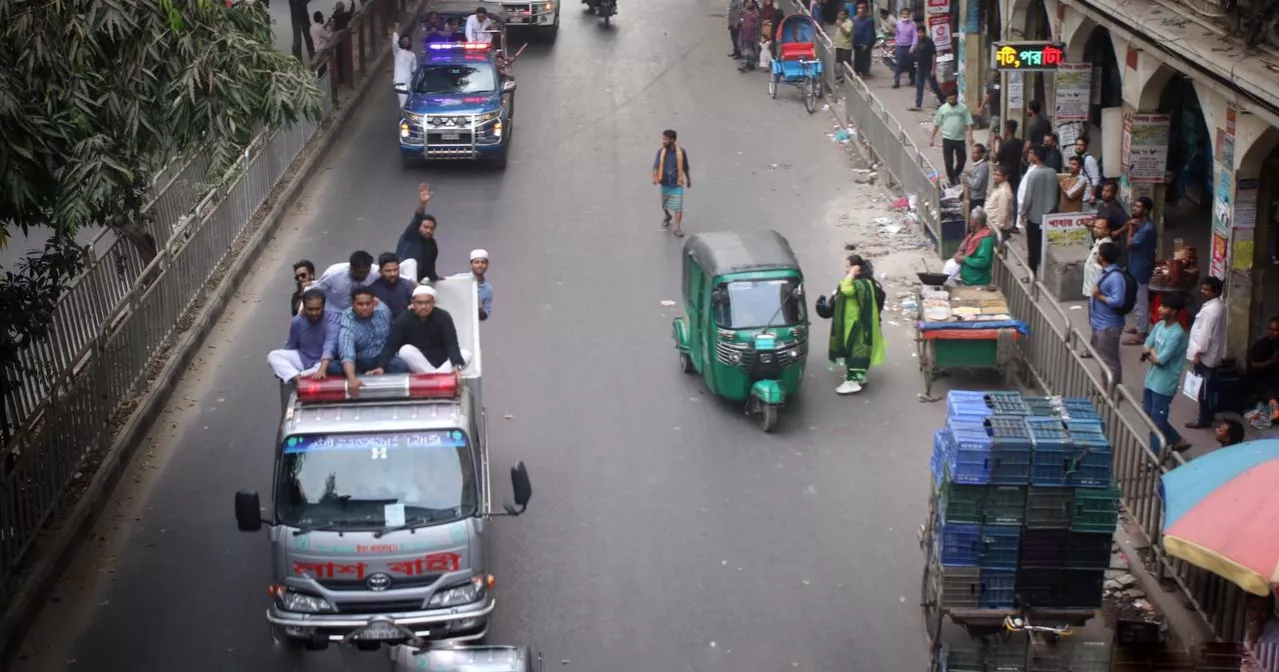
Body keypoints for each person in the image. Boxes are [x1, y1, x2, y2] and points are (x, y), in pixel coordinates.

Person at [379, 285, 472, 374]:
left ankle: (434, 376)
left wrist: (456, 364)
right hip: (418, 362)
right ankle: (439, 376)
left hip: (442, 360)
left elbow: (451, 343)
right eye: (419, 303)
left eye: (427, 303)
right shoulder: (404, 319)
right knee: (405, 350)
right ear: (413, 303)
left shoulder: (444, 317)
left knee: (466, 354)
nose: (423, 306)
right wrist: (380, 366)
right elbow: (391, 346)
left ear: (433, 303)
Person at [1141, 292, 1191, 454]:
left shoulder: (1177, 334)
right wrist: (1151, 352)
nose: (1160, 309)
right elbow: (1146, 345)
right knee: (1150, 414)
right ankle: (1178, 440)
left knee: (1157, 422)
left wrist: (1151, 352)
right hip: (1151, 380)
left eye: (1164, 307)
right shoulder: (1159, 326)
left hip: (1164, 384)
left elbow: (1160, 360)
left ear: (1174, 311)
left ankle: (1154, 457)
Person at [829, 254, 885, 395]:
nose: (845, 270)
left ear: (858, 269)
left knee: (856, 352)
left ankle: (853, 381)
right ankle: (859, 377)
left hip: (858, 324)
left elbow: (846, 289)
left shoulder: (860, 284)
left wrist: (851, 274)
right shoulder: (863, 282)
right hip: (852, 322)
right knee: (852, 350)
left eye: (848, 267)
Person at [267, 288, 339, 383]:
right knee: (273, 355)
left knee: (330, 366)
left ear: (323, 306)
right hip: (303, 358)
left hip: (322, 363)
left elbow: (330, 345)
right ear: (304, 307)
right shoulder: (297, 321)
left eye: (317, 309)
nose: (313, 313)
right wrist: (284, 364)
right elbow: (291, 346)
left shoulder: (332, 320)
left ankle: (295, 375)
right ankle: (298, 378)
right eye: (310, 309)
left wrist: (322, 369)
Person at [1185, 276, 1226, 429]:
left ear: (1215, 291)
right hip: (1211, 355)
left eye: (1206, 289)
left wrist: (1197, 354)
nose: (1203, 292)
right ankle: (1208, 414)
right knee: (1209, 387)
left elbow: (1204, 335)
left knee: (1203, 389)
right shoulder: (1218, 306)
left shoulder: (1212, 311)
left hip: (1205, 356)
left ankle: (1203, 419)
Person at [337, 287, 403, 379]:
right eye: (360, 304)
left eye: (368, 303)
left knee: (401, 366)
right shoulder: (348, 325)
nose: (365, 307)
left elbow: (392, 338)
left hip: (383, 356)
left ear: (374, 303)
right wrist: (352, 379)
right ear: (353, 304)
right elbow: (347, 355)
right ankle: (363, 377)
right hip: (362, 361)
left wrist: (382, 364)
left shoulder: (383, 311)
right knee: (335, 367)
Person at [1018, 145, 1059, 278]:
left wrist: (1022, 212)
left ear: (1036, 156)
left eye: (1031, 153)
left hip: (1034, 217)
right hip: (1049, 217)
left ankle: (1032, 274)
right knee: (1045, 247)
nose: (1029, 156)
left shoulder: (1033, 175)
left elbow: (1028, 197)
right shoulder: (1053, 173)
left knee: (1033, 248)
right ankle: (1045, 275)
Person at [1091, 242, 1127, 386]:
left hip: (1108, 325)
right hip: (1099, 323)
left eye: (1099, 254)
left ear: (1103, 257)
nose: (1096, 256)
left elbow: (1118, 301)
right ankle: (1105, 386)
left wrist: (1099, 296)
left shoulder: (1116, 278)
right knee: (1103, 359)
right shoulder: (1104, 272)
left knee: (1110, 361)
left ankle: (1114, 390)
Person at [1124, 196, 1157, 345]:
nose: (1134, 209)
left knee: (1141, 301)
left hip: (1141, 269)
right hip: (1136, 266)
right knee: (1137, 300)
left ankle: (1142, 333)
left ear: (1146, 210)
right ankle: (1139, 327)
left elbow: (1130, 244)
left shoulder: (1147, 229)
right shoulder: (1143, 226)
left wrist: (1131, 228)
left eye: (1138, 207)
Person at [396, 183, 440, 284]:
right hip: (401, 275)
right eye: (425, 227)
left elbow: (430, 264)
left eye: (431, 228)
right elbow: (417, 218)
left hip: (417, 280)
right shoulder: (411, 235)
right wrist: (423, 203)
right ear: (419, 227)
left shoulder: (432, 244)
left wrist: (434, 277)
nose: (428, 230)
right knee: (411, 263)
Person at [929, 91, 973, 188]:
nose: (951, 101)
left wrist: (970, 136)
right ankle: (952, 179)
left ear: (957, 98)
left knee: (962, 160)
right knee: (948, 161)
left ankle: (956, 174)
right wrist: (932, 138)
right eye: (949, 99)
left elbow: (969, 122)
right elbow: (937, 124)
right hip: (947, 138)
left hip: (960, 138)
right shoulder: (943, 109)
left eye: (953, 99)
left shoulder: (963, 108)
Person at [653, 129, 692, 238]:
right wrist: (655, 177)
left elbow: (685, 167)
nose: (663, 141)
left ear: (672, 140)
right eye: (663, 139)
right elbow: (655, 167)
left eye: (665, 139)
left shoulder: (681, 152)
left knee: (678, 207)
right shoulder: (661, 152)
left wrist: (688, 179)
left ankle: (677, 228)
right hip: (664, 182)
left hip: (677, 183)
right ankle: (667, 216)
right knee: (665, 205)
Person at [943, 207, 995, 286]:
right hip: (967, 280)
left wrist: (964, 258)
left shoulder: (986, 240)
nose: (969, 222)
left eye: (971, 220)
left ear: (976, 222)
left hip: (978, 282)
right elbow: (965, 249)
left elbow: (984, 262)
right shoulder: (973, 235)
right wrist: (960, 254)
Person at [313, 250, 377, 311]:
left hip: (360, 312)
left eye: (367, 271)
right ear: (351, 268)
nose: (365, 275)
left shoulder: (375, 271)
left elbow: (386, 268)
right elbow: (315, 291)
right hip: (334, 311)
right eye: (361, 272)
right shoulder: (332, 274)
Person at [1247, 317, 1279, 419]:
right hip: (1261, 379)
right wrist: (1271, 362)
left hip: (1275, 377)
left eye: (1275, 330)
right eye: (1270, 329)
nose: (1272, 332)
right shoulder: (1261, 345)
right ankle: (1275, 409)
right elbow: (1253, 365)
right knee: (1267, 390)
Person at [907, 25, 942, 111]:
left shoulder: (929, 42)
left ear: (924, 32)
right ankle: (918, 105)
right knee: (919, 85)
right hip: (920, 67)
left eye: (921, 32)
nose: (920, 34)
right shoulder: (918, 41)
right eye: (918, 32)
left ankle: (943, 100)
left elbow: (934, 55)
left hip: (928, 68)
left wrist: (933, 69)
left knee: (934, 86)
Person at [370, 252, 415, 318]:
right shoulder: (373, 290)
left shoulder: (408, 286)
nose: (392, 274)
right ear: (380, 271)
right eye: (388, 271)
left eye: (395, 270)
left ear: (399, 268)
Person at [458, 249, 493, 321]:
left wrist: (479, 312)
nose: (480, 265)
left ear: (487, 265)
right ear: (471, 265)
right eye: (476, 262)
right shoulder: (459, 279)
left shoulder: (488, 288)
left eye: (483, 262)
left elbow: (486, 312)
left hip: (471, 325)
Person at [391, 23, 416, 109]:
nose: (405, 42)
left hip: (409, 82)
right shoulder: (397, 51)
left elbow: (414, 69)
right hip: (399, 81)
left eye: (407, 40)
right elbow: (394, 42)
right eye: (403, 40)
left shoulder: (412, 55)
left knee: (410, 104)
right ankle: (403, 120)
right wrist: (396, 28)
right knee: (403, 103)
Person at [985, 166, 1015, 236]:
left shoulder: (1003, 192)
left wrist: (997, 228)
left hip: (998, 228)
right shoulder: (998, 186)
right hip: (992, 225)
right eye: (994, 174)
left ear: (1006, 177)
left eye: (998, 175)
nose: (995, 177)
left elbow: (1003, 212)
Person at [994, 119, 1023, 192]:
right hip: (1015, 174)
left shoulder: (1005, 145)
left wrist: (992, 143)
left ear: (1007, 129)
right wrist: (1001, 141)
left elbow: (994, 159)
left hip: (1004, 174)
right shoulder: (1019, 142)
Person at [891, 8, 915, 88]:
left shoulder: (913, 24)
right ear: (901, 15)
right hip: (900, 47)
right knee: (898, 65)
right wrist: (897, 42)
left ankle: (912, 80)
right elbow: (897, 34)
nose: (905, 16)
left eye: (907, 14)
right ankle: (896, 82)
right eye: (903, 14)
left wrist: (913, 46)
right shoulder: (898, 24)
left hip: (909, 47)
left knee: (910, 65)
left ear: (909, 15)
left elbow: (915, 36)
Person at [850, 2, 875, 77]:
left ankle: (865, 72)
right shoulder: (854, 19)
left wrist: (868, 43)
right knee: (857, 58)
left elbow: (870, 32)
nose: (860, 10)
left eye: (862, 8)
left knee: (866, 58)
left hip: (865, 43)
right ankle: (857, 71)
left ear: (866, 9)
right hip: (856, 42)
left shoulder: (869, 20)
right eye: (859, 8)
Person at [738, 0, 761, 72]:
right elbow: (743, 24)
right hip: (746, 34)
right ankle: (748, 64)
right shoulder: (746, 15)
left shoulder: (754, 16)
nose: (748, 12)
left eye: (749, 10)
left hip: (751, 35)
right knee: (747, 49)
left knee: (751, 50)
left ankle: (751, 64)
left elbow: (756, 25)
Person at [831, 9, 853, 82]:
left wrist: (840, 26)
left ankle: (848, 78)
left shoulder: (849, 23)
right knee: (839, 62)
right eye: (839, 14)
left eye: (842, 14)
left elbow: (847, 33)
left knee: (846, 63)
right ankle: (840, 77)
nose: (840, 16)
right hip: (839, 45)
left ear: (846, 15)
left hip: (845, 46)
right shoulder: (839, 22)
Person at [967, 144, 990, 210]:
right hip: (975, 197)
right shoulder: (978, 164)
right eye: (972, 153)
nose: (972, 155)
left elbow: (975, 185)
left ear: (981, 154)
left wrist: (967, 178)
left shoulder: (982, 166)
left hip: (977, 199)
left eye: (975, 153)